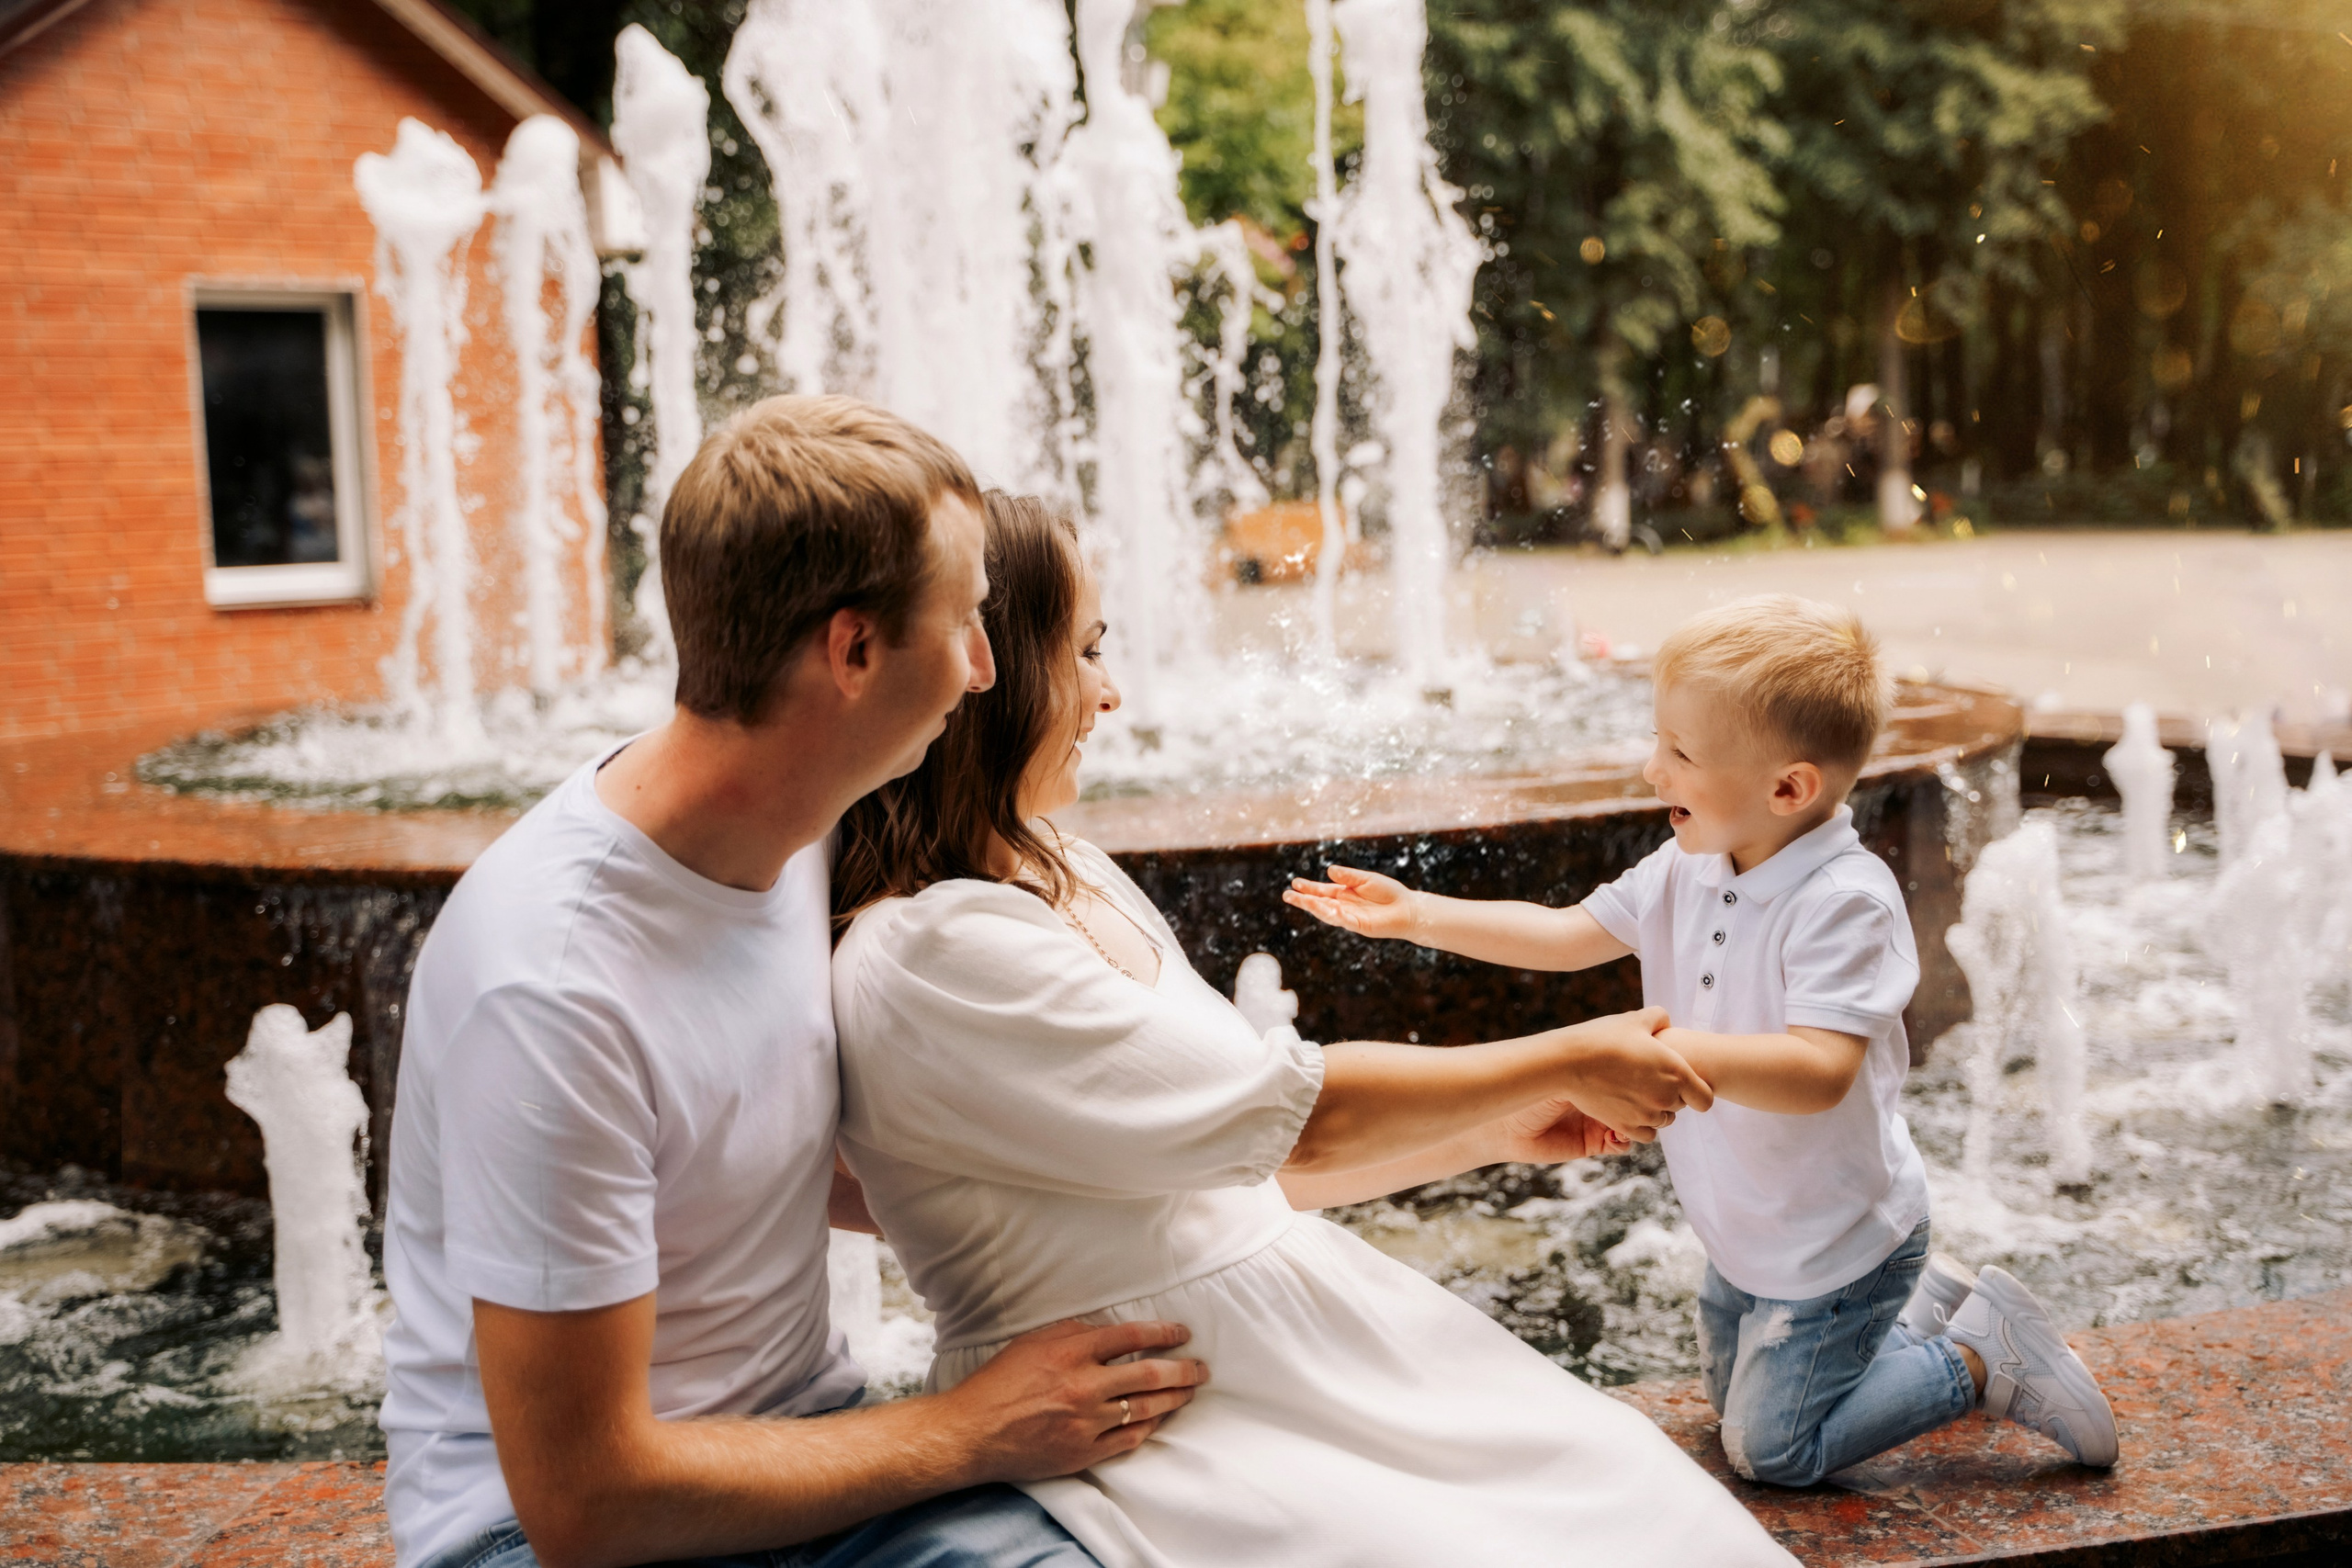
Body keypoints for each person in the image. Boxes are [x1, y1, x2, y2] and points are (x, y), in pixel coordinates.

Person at [828, 493, 1794, 1567]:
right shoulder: (937, 947)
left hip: (1281, 1362)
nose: (1110, 691)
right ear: (986, 671)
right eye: (1085, 651)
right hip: (1162, 1411)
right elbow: (1297, 1120)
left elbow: (1210, 1179)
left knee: (1639, 1505)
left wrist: (1490, 1130)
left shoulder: (1056, 865)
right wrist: (1563, 1053)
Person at [379, 396, 1215, 1568]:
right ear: (854, 650)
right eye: (967, 623)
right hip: (540, 1536)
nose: (982, 671)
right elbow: (587, 1500)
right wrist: (972, 1430)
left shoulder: (796, 828)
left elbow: (762, 1161)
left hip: (797, 1456)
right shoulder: (555, 993)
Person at [1287, 593, 2121, 1488]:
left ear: (1788, 789)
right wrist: (1417, 916)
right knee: (1730, 1414)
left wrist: (1668, 1052)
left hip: (1835, 1239)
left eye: (1679, 754)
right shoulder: (1686, 866)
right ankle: (1916, 1314)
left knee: (1772, 1451)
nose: (1653, 772)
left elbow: (1816, 1072)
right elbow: (1566, 935)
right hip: (1747, 1229)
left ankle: (1984, 1359)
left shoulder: (1842, 900)